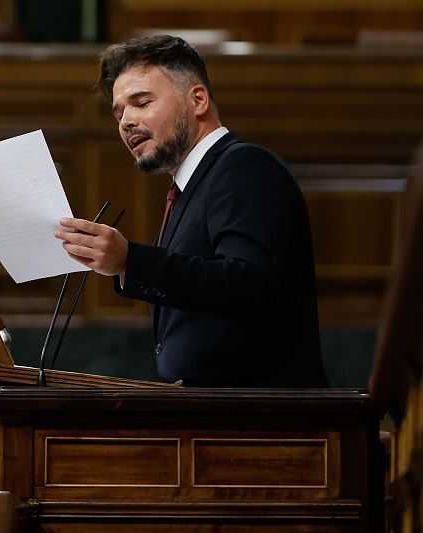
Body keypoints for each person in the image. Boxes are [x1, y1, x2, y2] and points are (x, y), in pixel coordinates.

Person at [54, 35, 328, 387]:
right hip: (209, 420)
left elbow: (249, 284)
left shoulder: (244, 166)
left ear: (197, 100)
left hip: (262, 423)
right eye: (119, 113)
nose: (125, 122)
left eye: (141, 102)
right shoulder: (190, 190)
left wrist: (130, 262)